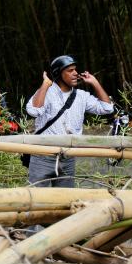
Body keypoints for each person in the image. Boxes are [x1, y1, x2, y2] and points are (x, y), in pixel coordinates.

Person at [25, 55, 113, 187]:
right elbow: (33, 111)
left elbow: (107, 108)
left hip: (68, 156)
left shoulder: (82, 96)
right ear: (58, 73)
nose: (75, 73)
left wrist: (94, 82)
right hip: (43, 155)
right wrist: (45, 85)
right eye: (70, 70)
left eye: (75, 70)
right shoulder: (47, 93)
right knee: (35, 198)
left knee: (65, 200)